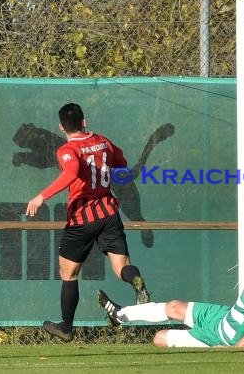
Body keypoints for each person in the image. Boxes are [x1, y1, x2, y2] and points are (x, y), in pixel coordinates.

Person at [26, 103, 151, 342]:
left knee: (68, 273)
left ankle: (66, 326)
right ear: (85, 122)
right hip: (109, 213)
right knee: (122, 266)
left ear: (61, 127)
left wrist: (42, 196)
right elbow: (121, 161)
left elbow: (72, 172)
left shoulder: (67, 149)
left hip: (82, 217)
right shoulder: (103, 141)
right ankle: (136, 281)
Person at [97, 241, 244, 347]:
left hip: (223, 336)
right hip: (225, 317)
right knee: (174, 306)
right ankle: (120, 315)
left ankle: (122, 316)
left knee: (159, 338)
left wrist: (236, 349)